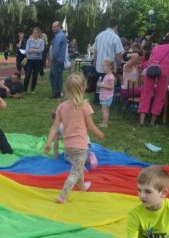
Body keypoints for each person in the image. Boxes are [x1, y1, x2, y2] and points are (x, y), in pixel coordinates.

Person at [44, 73, 104, 203]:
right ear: (84, 87)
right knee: (75, 171)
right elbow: (90, 125)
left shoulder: (61, 107)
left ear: (67, 89)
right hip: (81, 146)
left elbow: (54, 127)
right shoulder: (85, 106)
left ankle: (82, 186)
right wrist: (99, 134)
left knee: (78, 166)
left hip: (68, 146)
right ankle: (62, 196)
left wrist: (48, 142)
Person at [138, 32, 169, 126]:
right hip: (164, 70)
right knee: (160, 95)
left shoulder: (155, 47)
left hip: (151, 69)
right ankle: (152, 122)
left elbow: (150, 60)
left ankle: (141, 121)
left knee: (146, 94)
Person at [93, 18, 124, 104]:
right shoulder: (116, 37)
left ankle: (97, 100)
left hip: (99, 65)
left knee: (99, 82)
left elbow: (95, 51)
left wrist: (95, 62)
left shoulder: (99, 35)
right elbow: (118, 54)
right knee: (107, 84)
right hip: (109, 67)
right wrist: (118, 65)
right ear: (116, 26)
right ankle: (106, 100)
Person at [24, 27, 45, 94]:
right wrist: (35, 50)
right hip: (30, 60)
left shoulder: (42, 41)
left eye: (36, 33)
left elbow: (41, 51)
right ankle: (25, 90)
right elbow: (27, 50)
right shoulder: (29, 40)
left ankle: (33, 89)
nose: (35, 34)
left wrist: (32, 49)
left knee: (35, 75)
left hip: (38, 60)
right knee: (27, 74)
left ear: (39, 33)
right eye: (34, 32)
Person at [50, 21, 67, 99]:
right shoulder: (61, 35)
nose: (53, 28)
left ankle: (55, 93)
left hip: (56, 60)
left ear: (59, 27)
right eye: (52, 27)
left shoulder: (59, 36)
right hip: (60, 60)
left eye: (54, 27)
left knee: (54, 76)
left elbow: (56, 48)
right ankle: (58, 92)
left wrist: (52, 57)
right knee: (58, 76)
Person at [97, 59, 116, 128]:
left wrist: (101, 85)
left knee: (104, 110)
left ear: (110, 67)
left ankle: (105, 124)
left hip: (107, 97)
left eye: (104, 66)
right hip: (106, 96)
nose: (103, 67)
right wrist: (102, 83)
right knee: (106, 110)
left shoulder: (110, 76)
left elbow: (111, 87)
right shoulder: (107, 75)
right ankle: (104, 122)